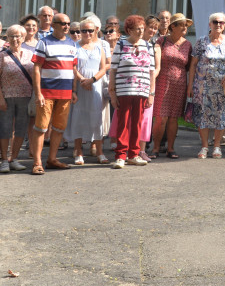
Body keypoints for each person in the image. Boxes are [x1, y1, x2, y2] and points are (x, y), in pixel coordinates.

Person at [29, 13, 78, 175]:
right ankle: (37, 162)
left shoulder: (73, 44)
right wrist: (38, 93)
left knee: (58, 128)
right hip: (47, 93)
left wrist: (74, 91)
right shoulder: (44, 42)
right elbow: (36, 68)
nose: (66, 26)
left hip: (65, 94)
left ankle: (52, 159)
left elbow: (74, 69)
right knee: (41, 128)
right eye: (63, 23)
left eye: (68, 23)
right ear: (54, 25)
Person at [108, 14, 158, 169]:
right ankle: (120, 156)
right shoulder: (121, 45)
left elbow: (151, 71)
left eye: (143, 28)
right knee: (123, 123)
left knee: (137, 123)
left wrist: (151, 93)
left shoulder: (148, 46)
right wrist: (112, 93)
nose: (141, 32)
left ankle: (134, 155)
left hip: (142, 91)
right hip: (124, 90)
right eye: (138, 29)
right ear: (129, 30)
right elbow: (113, 70)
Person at [188, 12, 225, 159]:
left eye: (221, 22)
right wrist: (190, 85)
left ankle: (217, 146)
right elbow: (193, 64)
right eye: (215, 22)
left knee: (221, 116)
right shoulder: (201, 41)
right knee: (202, 116)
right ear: (210, 24)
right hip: (202, 87)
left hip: (222, 87)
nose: (218, 25)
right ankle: (204, 146)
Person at [67, 15, 110, 164]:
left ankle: (99, 151)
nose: (87, 33)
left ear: (95, 31)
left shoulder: (100, 47)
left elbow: (103, 68)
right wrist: (82, 80)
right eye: (84, 30)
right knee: (78, 117)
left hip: (95, 85)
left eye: (90, 30)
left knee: (96, 118)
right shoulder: (74, 46)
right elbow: (71, 67)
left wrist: (92, 80)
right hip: (79, 85)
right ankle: (78, 151)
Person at [0, 24, 34, 172]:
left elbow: (36, 75)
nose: (15, 39)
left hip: (26, 97)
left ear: (23, 37)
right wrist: (0, 98)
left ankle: (14, 158)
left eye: (18, 36)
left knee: (21, 129)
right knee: (5, 129)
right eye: (11, 36)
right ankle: (4, 160)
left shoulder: (30, 54)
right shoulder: (2, 55)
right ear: (7, 38)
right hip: (7, 97)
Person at [152, 13, 193, 159]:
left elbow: (188, 66)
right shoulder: (161, 40)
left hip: (179, 84)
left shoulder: (188, 44)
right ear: (173, 27)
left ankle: (170, 148)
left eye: (186, 25)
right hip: (163, 82)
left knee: (174, 118)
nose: (184, 28)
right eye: (181, 24)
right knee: (160, 117)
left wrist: (190, 86)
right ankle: (155, 148)